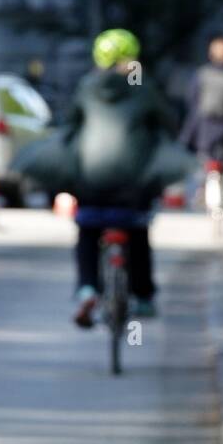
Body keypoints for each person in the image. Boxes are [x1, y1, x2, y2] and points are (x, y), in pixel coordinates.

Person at [66, 29, 177, 328]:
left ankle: (88, 288)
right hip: (133, 185)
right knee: (138, 234)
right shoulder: (141, 88)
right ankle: (142, 296)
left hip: (91, 181)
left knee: (88, 233)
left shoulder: (86, 88)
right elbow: (167, 124)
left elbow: (69, 127)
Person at [179, 36, 223, 189]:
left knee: (205, 162)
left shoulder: (202, 74)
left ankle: (203, 193)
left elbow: (192, 100)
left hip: (206, 128)